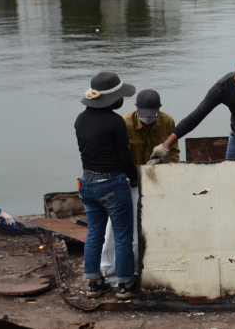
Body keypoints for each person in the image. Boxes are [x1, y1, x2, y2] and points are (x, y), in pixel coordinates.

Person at [75, 72, 139, 301]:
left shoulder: (80, 119)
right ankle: (125, 284)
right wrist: (134, 178)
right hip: (112, 183)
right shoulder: (115, 122)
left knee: (94, 233)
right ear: (112, 100)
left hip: (87, 184)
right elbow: (124, 156)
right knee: (123, 236)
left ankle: (95, 283)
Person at [123, 89, 180, 165]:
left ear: (160, 106)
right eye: (145, 114)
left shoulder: (167, 121)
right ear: (136, 106)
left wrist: (171, 168)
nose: (148, 117)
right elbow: (122, 154)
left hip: (160, 171)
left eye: (151, 114)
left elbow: (173, 151)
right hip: (133, 172)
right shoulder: (125, 123)